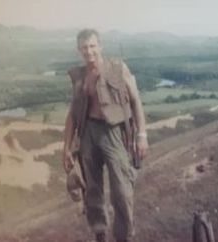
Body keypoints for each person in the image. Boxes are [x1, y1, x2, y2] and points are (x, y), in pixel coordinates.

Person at [62, 28, 148, 242]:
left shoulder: (118, 69)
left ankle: (124, 237)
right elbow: (72, 115)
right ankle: (100, 233)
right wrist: (66, 148)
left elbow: (136, 101)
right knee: (93, 190)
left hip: (114, 133)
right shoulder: (80, 77)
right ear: (78, 50)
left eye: (92, 46)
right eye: (84, 48)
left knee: (122, 189)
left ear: (100, 46)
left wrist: (142, 135)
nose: (88, 51)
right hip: (88, 133)